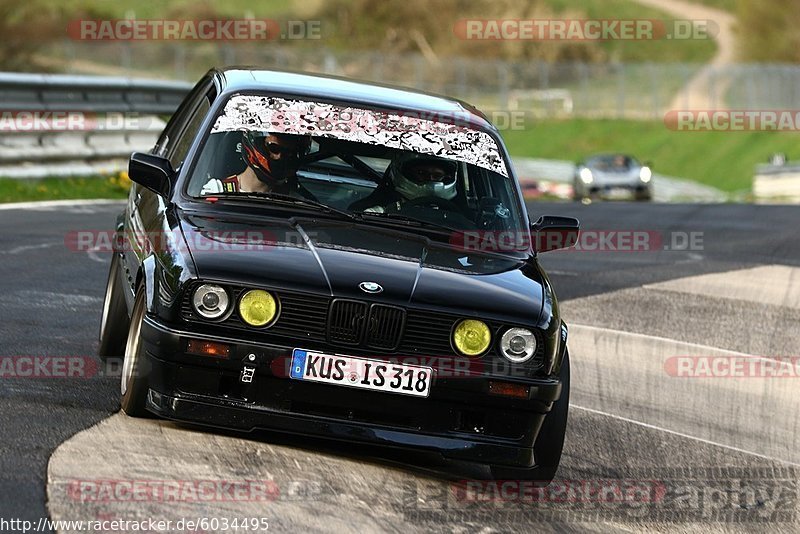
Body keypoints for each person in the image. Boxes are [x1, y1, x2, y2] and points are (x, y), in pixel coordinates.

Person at [201, 132, 316, 200]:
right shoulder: (215, 192)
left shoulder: (299, 204)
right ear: (256, 142)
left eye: (290, 153)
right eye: (274, 148)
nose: (280, 157)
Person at [349, 152, 458, 213]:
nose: (430, 179)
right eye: (421, 173)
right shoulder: (367, 213)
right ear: (405, 173)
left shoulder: (462, 220)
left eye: (437, 176)